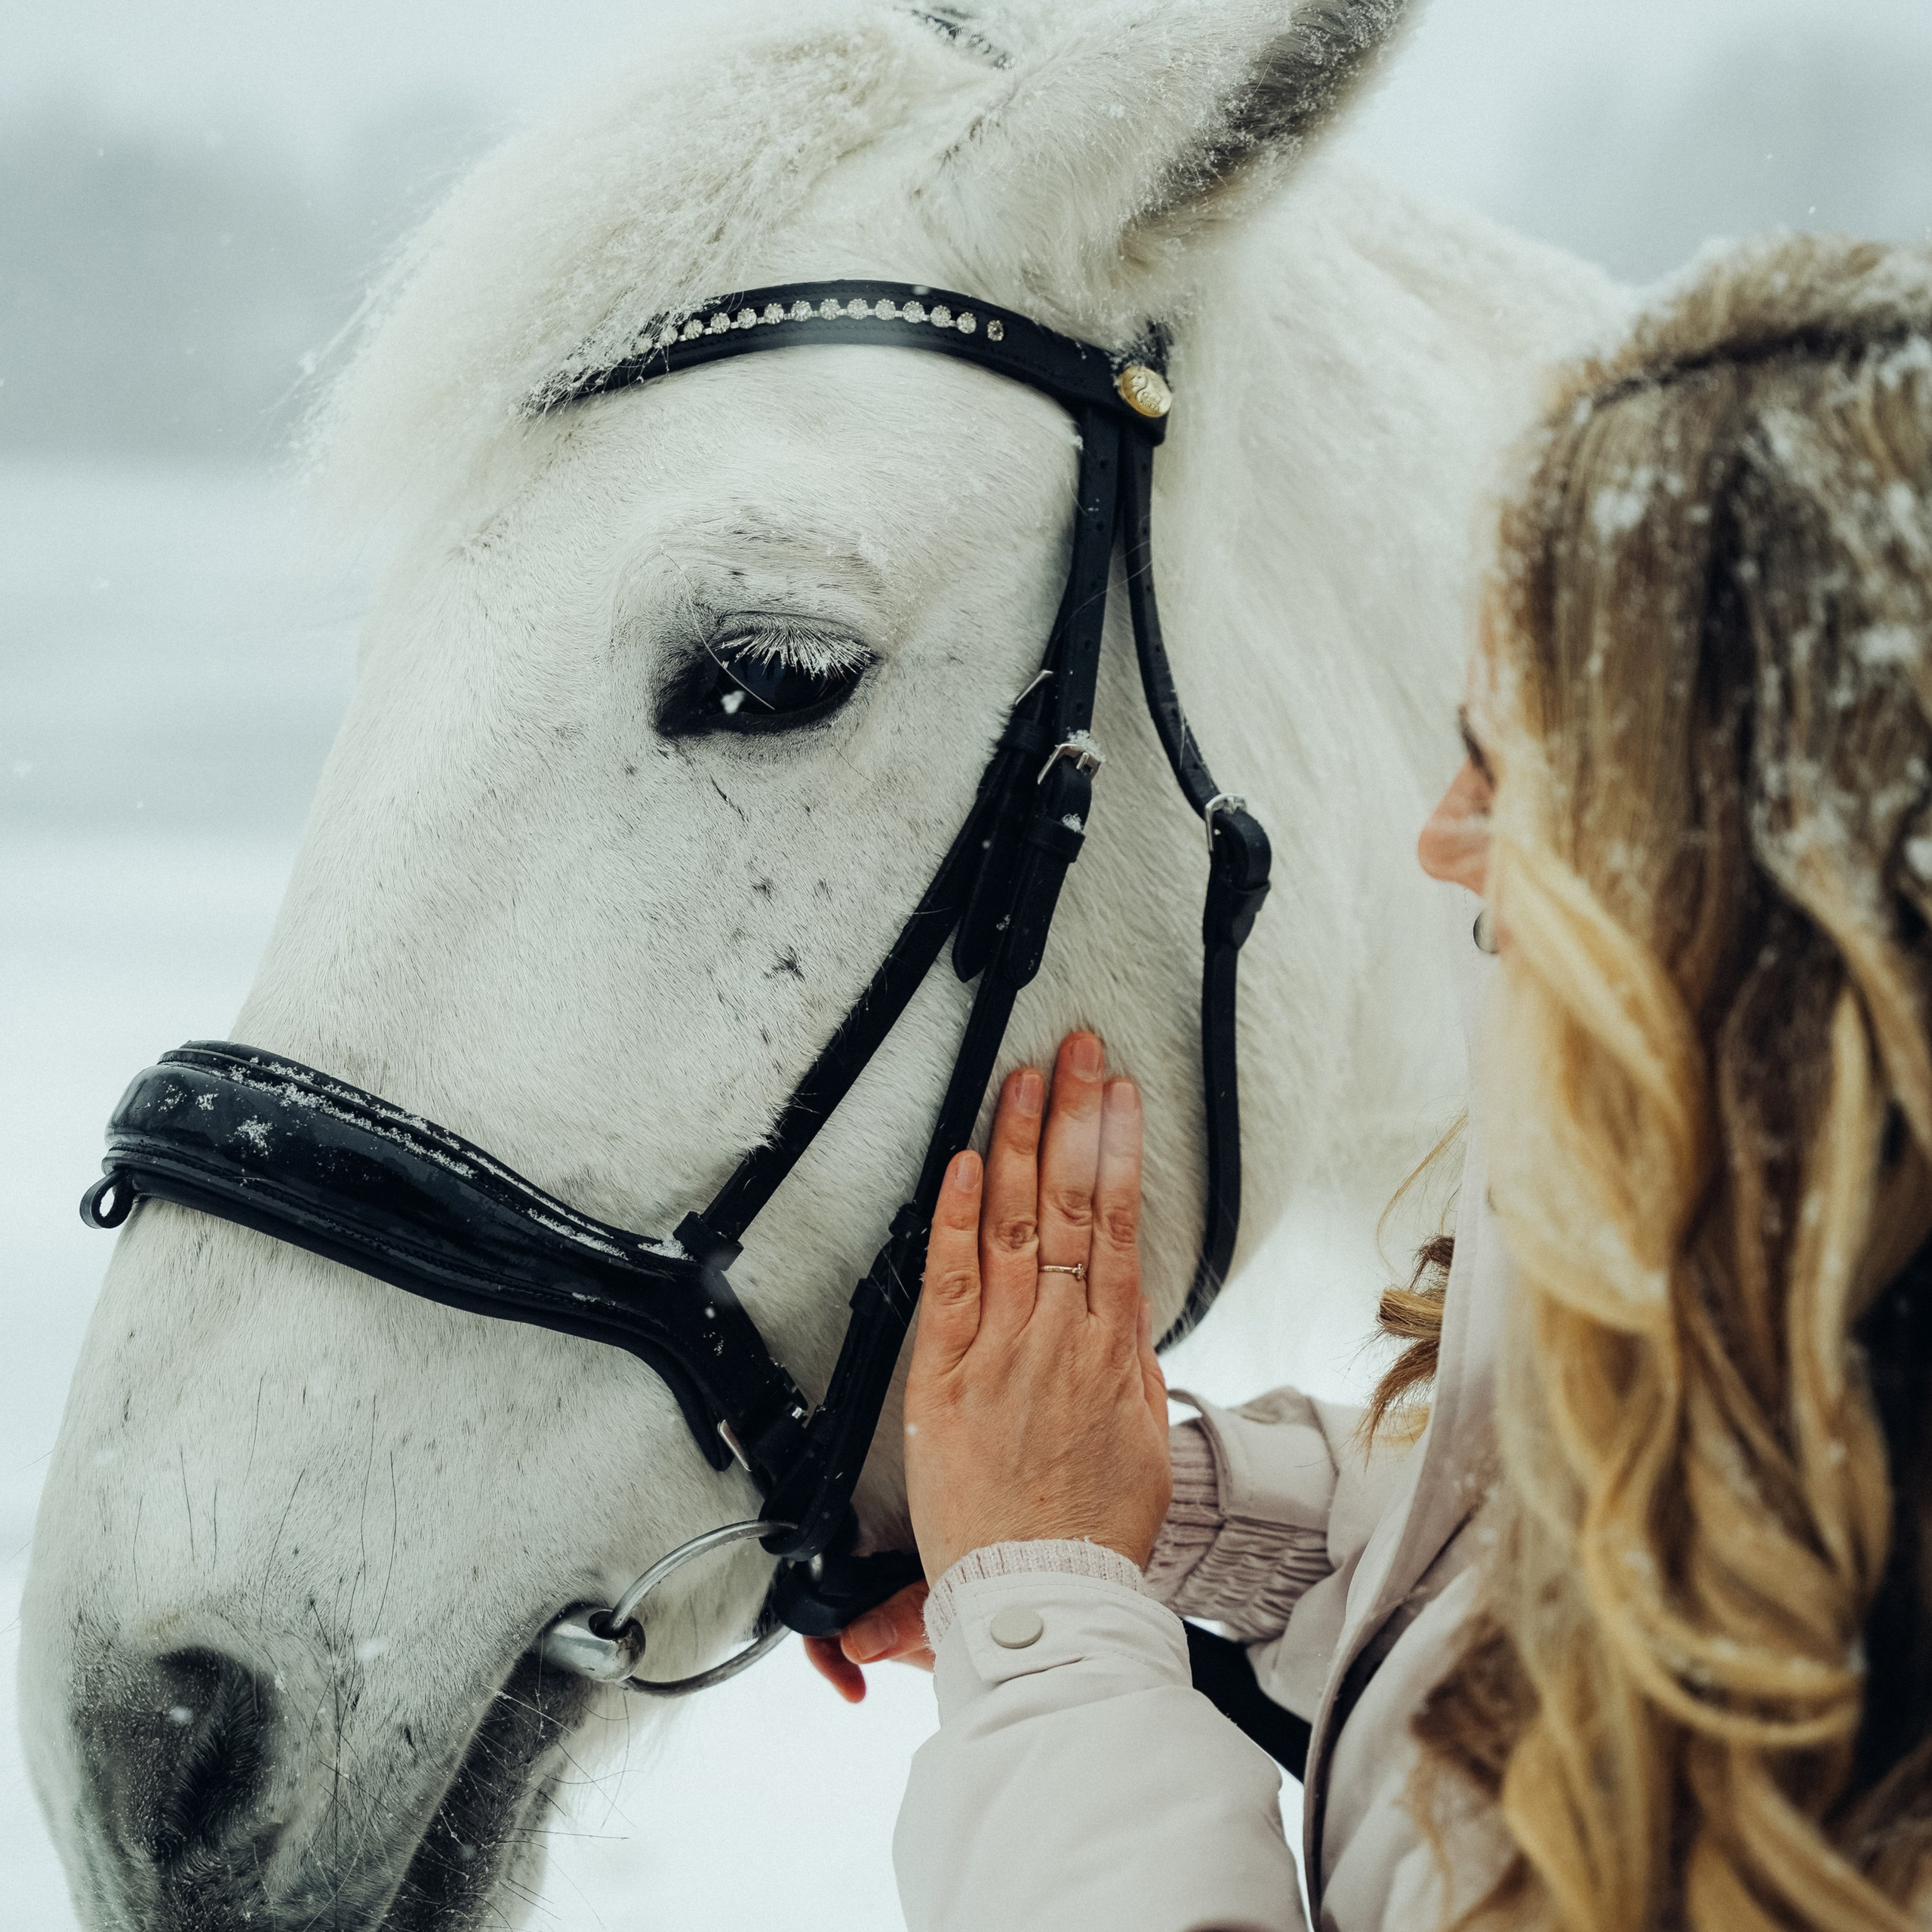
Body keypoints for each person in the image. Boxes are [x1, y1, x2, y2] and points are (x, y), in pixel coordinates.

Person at [816, 233, 1932, 1932]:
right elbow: (1568, 1590)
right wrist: (1159, 1503)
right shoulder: (1813, 1309)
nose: (1438, 836)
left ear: (1751, 852)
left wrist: (1049, 1648)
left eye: (1509, 757)